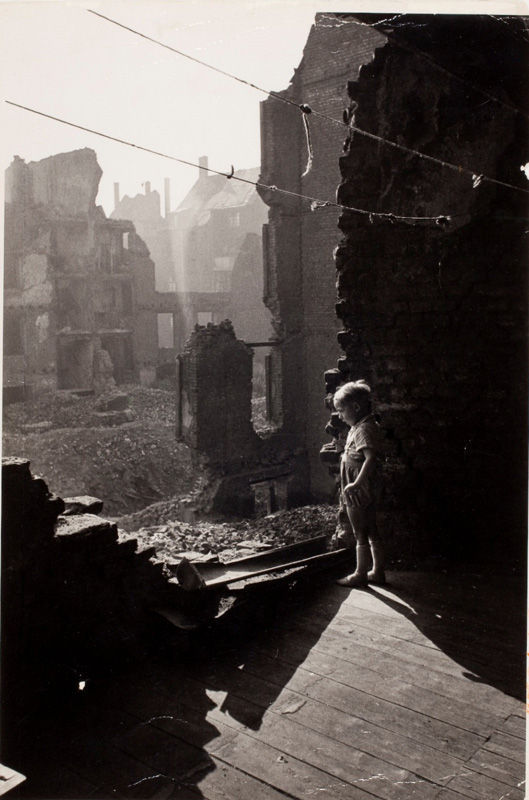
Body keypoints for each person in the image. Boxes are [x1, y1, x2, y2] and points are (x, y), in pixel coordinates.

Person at [332, 379, 385, 587]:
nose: (340, 415)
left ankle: (360, 573)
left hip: (359, 488)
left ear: (355, 407)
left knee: (360, 531)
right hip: (362, 486)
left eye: (341, 410)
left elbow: (371, 458)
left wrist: (356, 484)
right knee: (370, 528)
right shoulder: (360, 426)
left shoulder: (363, 429)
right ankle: (378, 571)